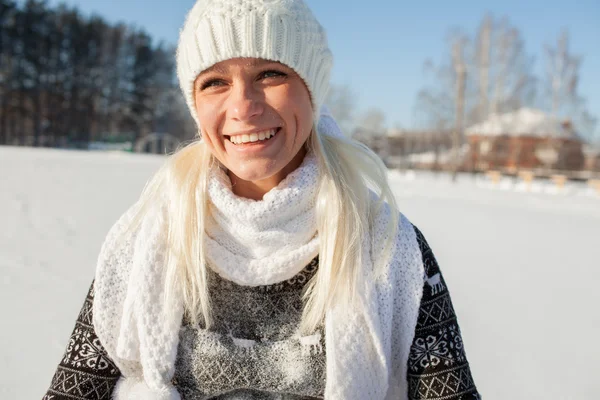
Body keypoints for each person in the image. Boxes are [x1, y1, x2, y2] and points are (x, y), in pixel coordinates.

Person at [44, 0, 480, 399]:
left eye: (269, 74)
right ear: (195, 104)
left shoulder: (387, 246)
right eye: (215, 82)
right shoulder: (143, 240)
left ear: (311, 89)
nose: (243, 106)